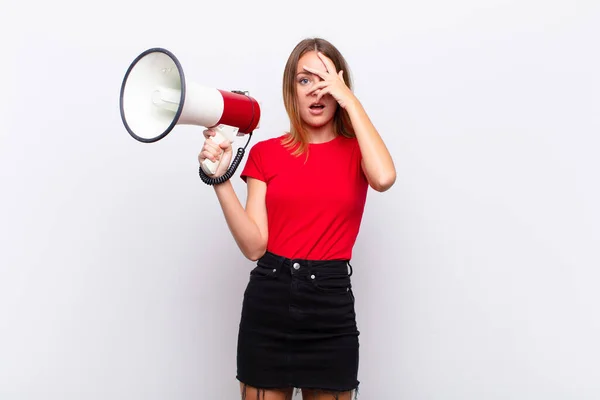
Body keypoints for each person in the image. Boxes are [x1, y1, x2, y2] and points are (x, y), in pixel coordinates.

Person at [198, 37, 396, 400]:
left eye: (326, 80)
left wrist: (349, 100)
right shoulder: (266, 154)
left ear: (340, 87)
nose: (317, 91)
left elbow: (383, 178)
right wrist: (219, 179)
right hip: (269, 299)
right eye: (305, 80)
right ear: (291, 89)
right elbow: (255, 246)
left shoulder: (358, 152)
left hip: (330, 306)